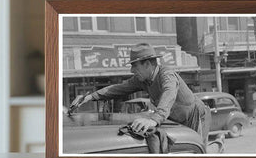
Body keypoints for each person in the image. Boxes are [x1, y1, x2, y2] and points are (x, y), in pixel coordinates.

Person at [68, 43, 211, 148]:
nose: (131, 70)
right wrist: (89, 97)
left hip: (196, 117)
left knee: (197, 155)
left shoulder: (167, 75)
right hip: (177, 120)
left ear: (148, 64)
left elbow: (169, 93)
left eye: (135, 66)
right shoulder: (142, 79)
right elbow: (118, 88)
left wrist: (154, 119)